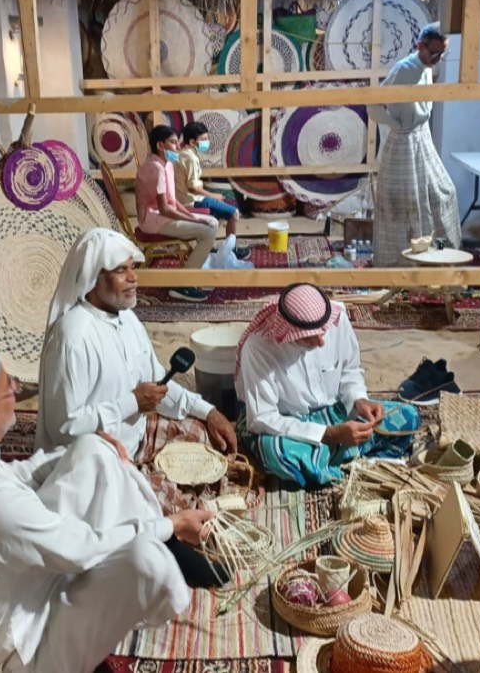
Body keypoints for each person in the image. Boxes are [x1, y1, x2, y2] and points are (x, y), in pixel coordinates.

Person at [0, 347, 216, 673]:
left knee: (93, 450)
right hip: (19, 651)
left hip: (17, 587)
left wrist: (87, 445)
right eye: (7, 389)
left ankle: (166, 540)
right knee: (148, 561)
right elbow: (84, 549)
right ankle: (170, 547)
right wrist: (172, 523)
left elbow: (15, 476)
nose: (15, 387)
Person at [38, 228, 239, 513]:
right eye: (121, 270)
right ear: (92, 278)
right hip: (97, 464)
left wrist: (209, 412)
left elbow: (157, 384)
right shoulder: (73, 338)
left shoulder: (128, 320)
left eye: (133, 267)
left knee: (204, 436)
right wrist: (131, 402)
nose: (133, 277)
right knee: (171, 511)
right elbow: (64, 428)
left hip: (137, 439)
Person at [235, 283, 420, 487]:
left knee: (409, 416)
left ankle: (325, 461)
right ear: (289, 331)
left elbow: (350, 371)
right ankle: (346, 456)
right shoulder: (259, 347)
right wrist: (330, 434)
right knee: (277, 453)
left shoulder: (337, 319)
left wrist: (359, 400)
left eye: (323, 331)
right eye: (309, 337)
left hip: (336, 413)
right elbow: (263, 417)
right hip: (290, 424)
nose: (321, 341)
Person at [366, 25, 461, 268]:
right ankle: (400, 265)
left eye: (442, 54)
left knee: (443, 194)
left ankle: (439, 258)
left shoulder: (427, 67)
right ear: (420, 46)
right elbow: (372, 105)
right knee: (403, 208)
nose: (438, 60)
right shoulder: (403, 70)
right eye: (435, 54)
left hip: (422, 138)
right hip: (403, 143)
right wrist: (393, 124)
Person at [135, 124, 219, 302]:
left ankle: (195, 270)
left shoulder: (167, 165)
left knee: (212, 222)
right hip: (153, 222)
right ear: (160, 145)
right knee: (208, 231)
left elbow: (172, 201)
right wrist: (195, 220)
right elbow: (165, 209)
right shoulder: (156, 168)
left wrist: (192, 217)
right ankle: (183, 284)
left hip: (163, 216)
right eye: (173, 142)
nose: (178, 147)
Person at [176, 121, 250, 260]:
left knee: (220, 214)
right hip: (192, 201)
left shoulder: (183, 154)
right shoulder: (190, 158)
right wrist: (213, 196)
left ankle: (208, 244)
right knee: (234, 213)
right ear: (192, 142)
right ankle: (231, 251)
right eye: (204, 139)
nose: (207, 142)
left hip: (184, 198)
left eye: (207, 138)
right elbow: (193, 188)